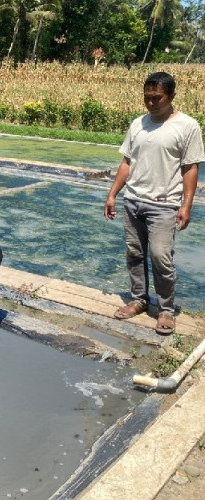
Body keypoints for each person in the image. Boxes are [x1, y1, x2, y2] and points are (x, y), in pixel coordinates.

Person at [104, 71, 204, 335]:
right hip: (133, 201)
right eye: (147, 98)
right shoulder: (138, 124)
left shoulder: (187, 126)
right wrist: (113, 193)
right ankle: (138, 299)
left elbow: (190, 167)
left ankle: (166, 310)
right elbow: (127, 162)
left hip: (164, 205)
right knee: (134, 254)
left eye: (157, 98)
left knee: (161, 257)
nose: (151, 103)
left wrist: (186, 205)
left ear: (171, 96)